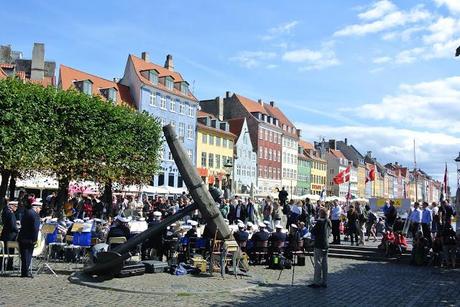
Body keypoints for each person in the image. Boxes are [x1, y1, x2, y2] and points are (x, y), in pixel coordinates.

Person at [17, 200, 41, 277]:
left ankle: (23, 272)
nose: (40, 210)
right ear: (36, 208)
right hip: (30, 238)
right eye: (39, 208)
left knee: (23, 256)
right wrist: (35, 239)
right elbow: (35, 228)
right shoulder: (35, 215)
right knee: (28, 256)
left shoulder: (26, 213)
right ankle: (25, 273)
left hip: (22, 237)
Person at [308, 208, 332, 288]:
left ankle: (317, 282)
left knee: (318, 263)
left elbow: (313, 231)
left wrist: (312, 225)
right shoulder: (329, 221)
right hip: (326, 244)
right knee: (325, 263)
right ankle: (324, 281)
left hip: (319, 244)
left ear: (321, 214)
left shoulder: (319, 222)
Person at [1, 200, 19, 270]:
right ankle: (9, 266)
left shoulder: (5, 212)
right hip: (11, 236)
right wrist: (18, 230)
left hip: (5, 235)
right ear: (12, 206)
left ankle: (3, 266)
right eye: (16, 206)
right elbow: (12, 226)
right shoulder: (11, 213)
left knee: (4, 252)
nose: (16, 208)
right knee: (10, 251)